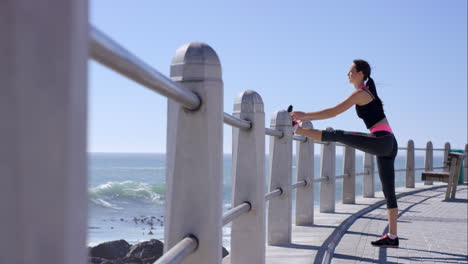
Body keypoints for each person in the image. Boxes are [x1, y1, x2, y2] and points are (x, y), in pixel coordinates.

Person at [290, 59, 399, 247]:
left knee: (338, 135)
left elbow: (333, 112)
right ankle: (392, 237)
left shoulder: (361, 93)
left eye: (350, 71)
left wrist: (304, 115)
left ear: (361, 74)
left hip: (382, 141)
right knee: (389, 192)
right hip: (388, 142)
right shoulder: (367, 92)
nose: (347, 74)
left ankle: (296, 129)